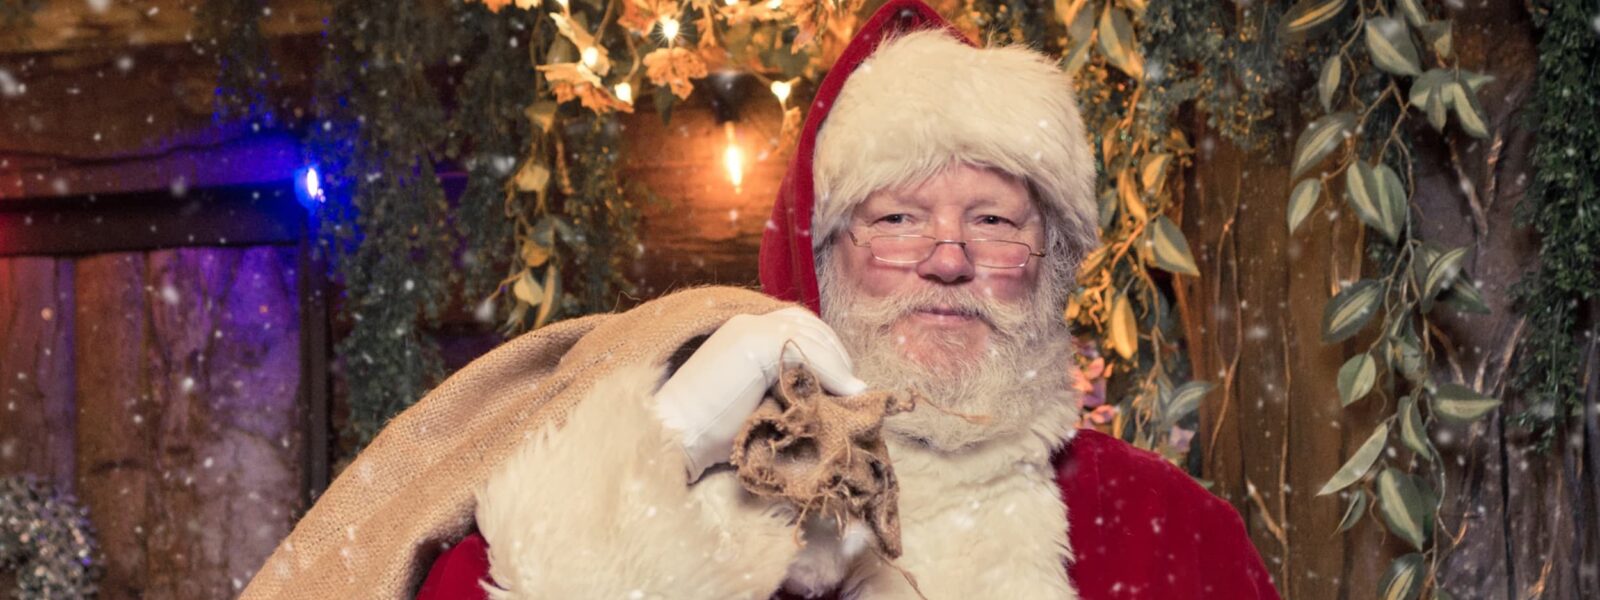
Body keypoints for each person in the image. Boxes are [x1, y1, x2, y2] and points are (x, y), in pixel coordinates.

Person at [242, 1, 1279, 598]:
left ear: (1050, 266)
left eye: (996, 222)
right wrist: (657, 460)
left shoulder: (1167, 531)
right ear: (823, 259)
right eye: (898, 220)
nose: (949, 258)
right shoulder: (715, 483)